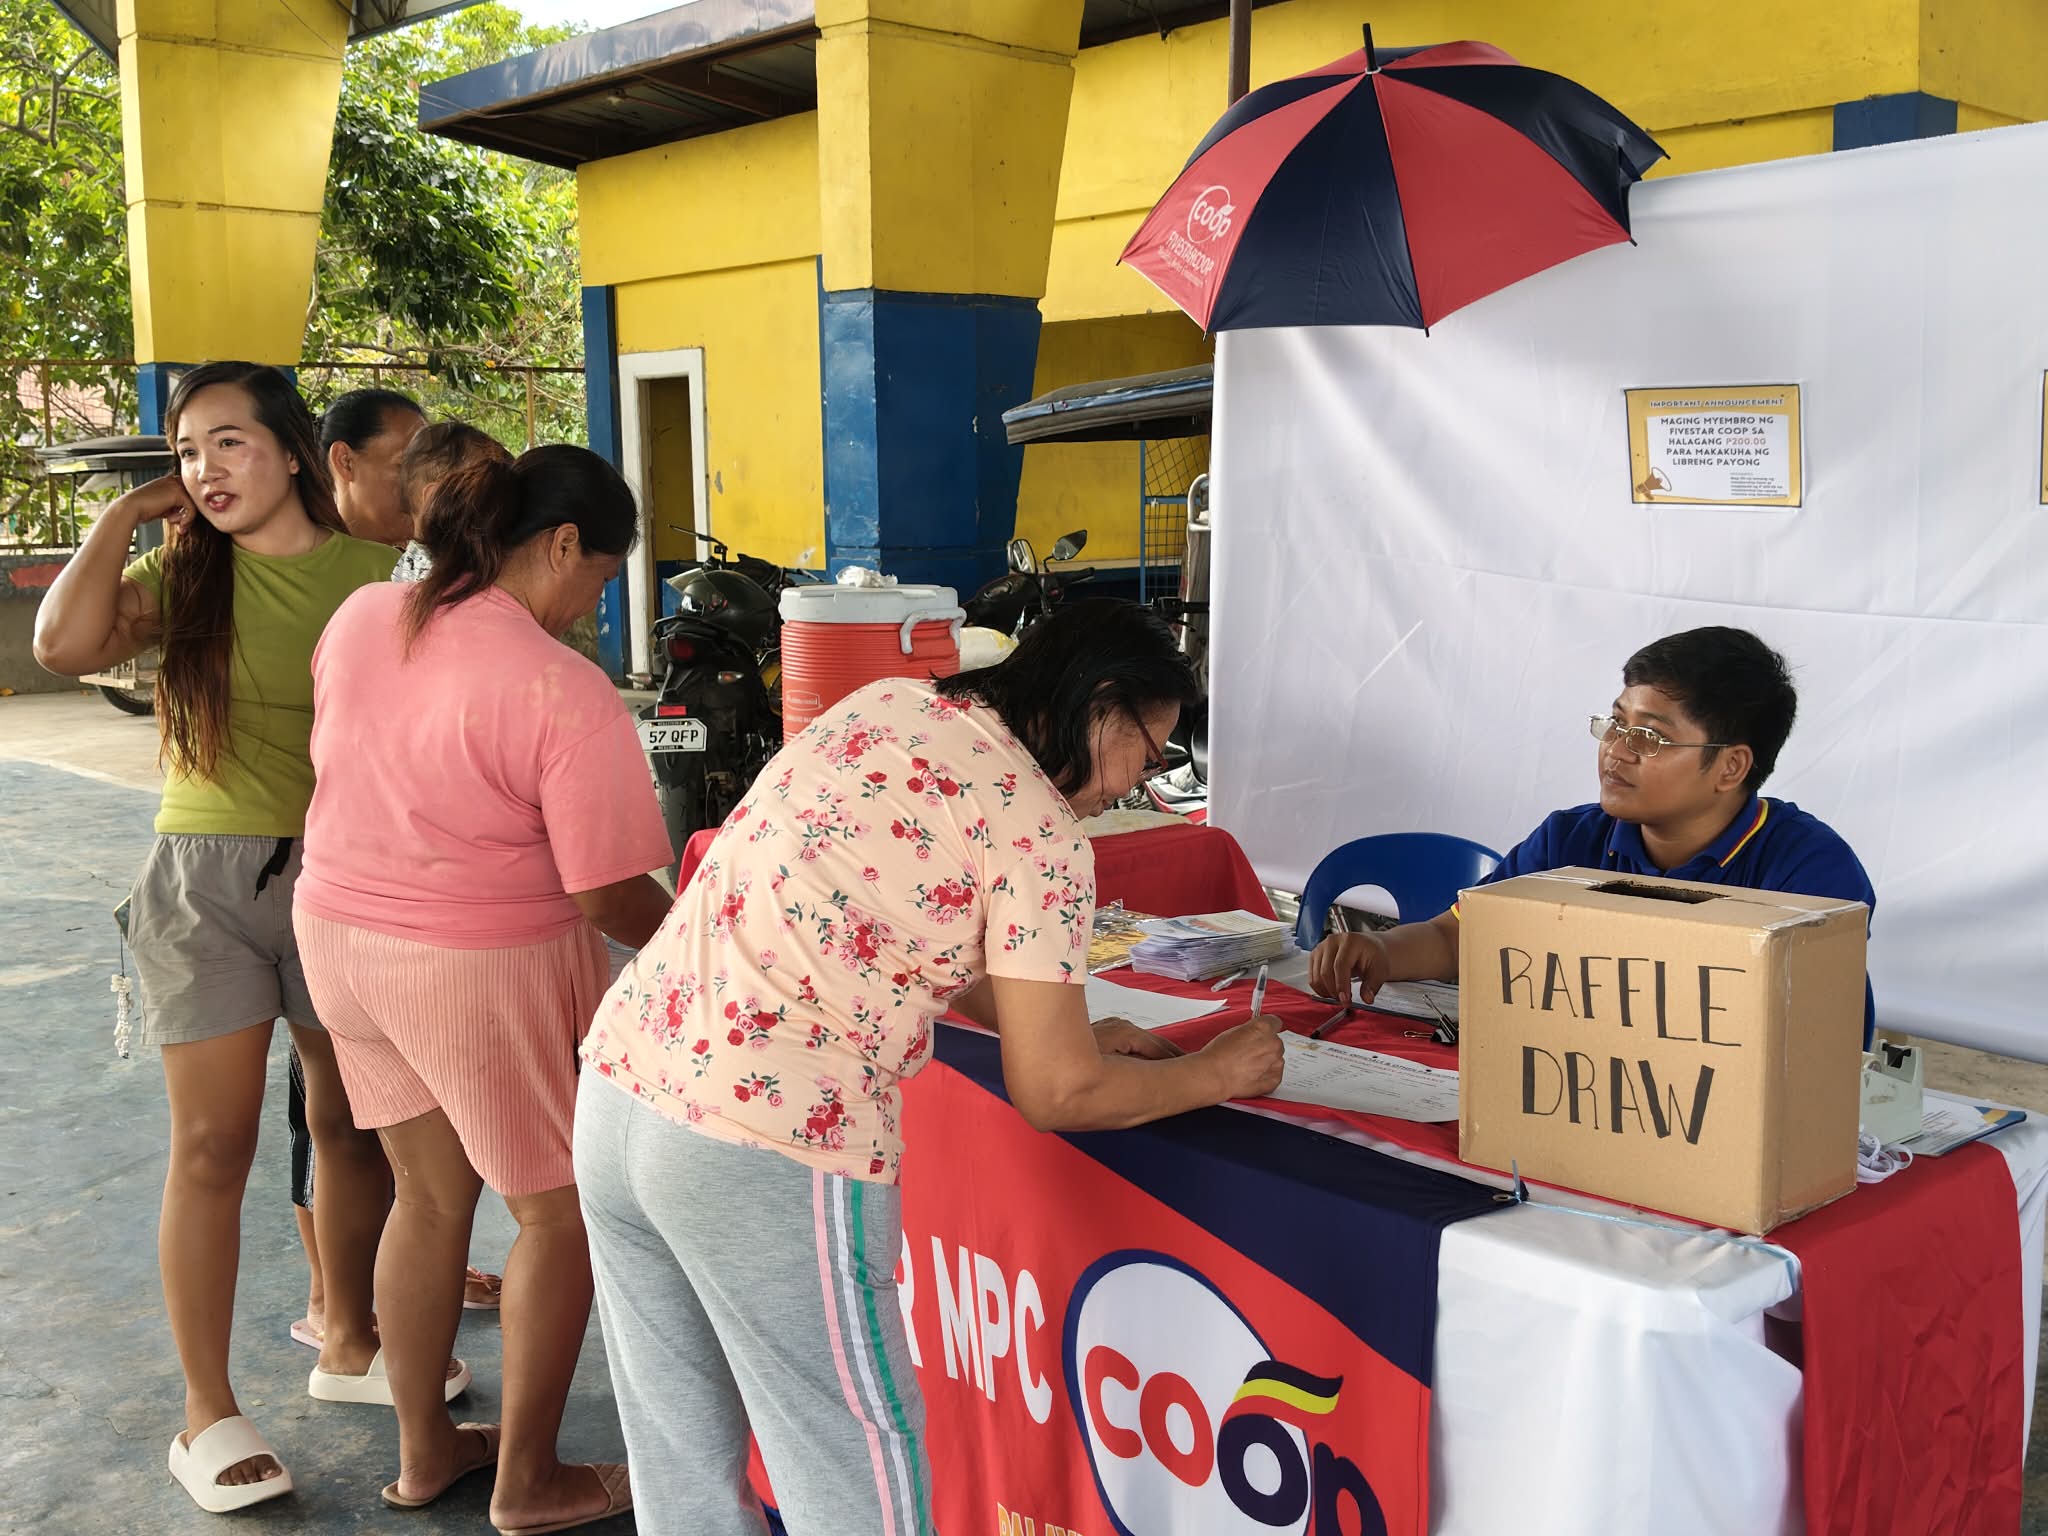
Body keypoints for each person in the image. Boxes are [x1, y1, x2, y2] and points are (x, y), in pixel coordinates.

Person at [574, 598, 1288, 1536]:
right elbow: (1059, 1091)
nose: (1135, 786)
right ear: (1100, 705)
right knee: (854, 1465)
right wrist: (1220, 1073)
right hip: (768, 1138)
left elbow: (899, 923)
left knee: (683, 1469)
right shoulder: (1038, 830)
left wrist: (1064, 1026)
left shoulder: (891, 706)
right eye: (1146, 755)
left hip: (624, 1087)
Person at [30, 362, 421, 1513]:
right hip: (202, 882)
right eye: (187, 451)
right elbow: (60, 647)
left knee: (350, 1123)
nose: (203, 468)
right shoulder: (182, 574)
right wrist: (123, 512)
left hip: (345, 877)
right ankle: (206, 1414)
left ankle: (349, 1339)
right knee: (212, 1146)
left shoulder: (374, 573)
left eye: (229, 442)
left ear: (294, 451)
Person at [294, 444, 672, 1529]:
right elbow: (608, 892)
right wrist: (699, 947)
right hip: (473, 966)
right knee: (559, 1215)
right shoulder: (560, 686)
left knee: (426, 1192)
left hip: (339, 941)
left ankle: (426, 1451)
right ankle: (528, 1481)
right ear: (562, 544)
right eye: (599, 578)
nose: (593, 606)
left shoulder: (366, 615)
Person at [1308, 626, 1879, 1043]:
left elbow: (1815, 1034)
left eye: (1649, 738)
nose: (1616, 750)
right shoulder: (1570, 840)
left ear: (1730, 767)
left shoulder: (1808, 871)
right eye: (1615, 723)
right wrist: (1379, 951)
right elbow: (1458, 937)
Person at [286, 395, 501, 1347]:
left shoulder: (397, 589)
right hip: (358, 895)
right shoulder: (374, 592)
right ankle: (337, 1310)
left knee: (417, 1171)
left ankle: (375, 1312)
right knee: (339, 1125)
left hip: (358, 902)